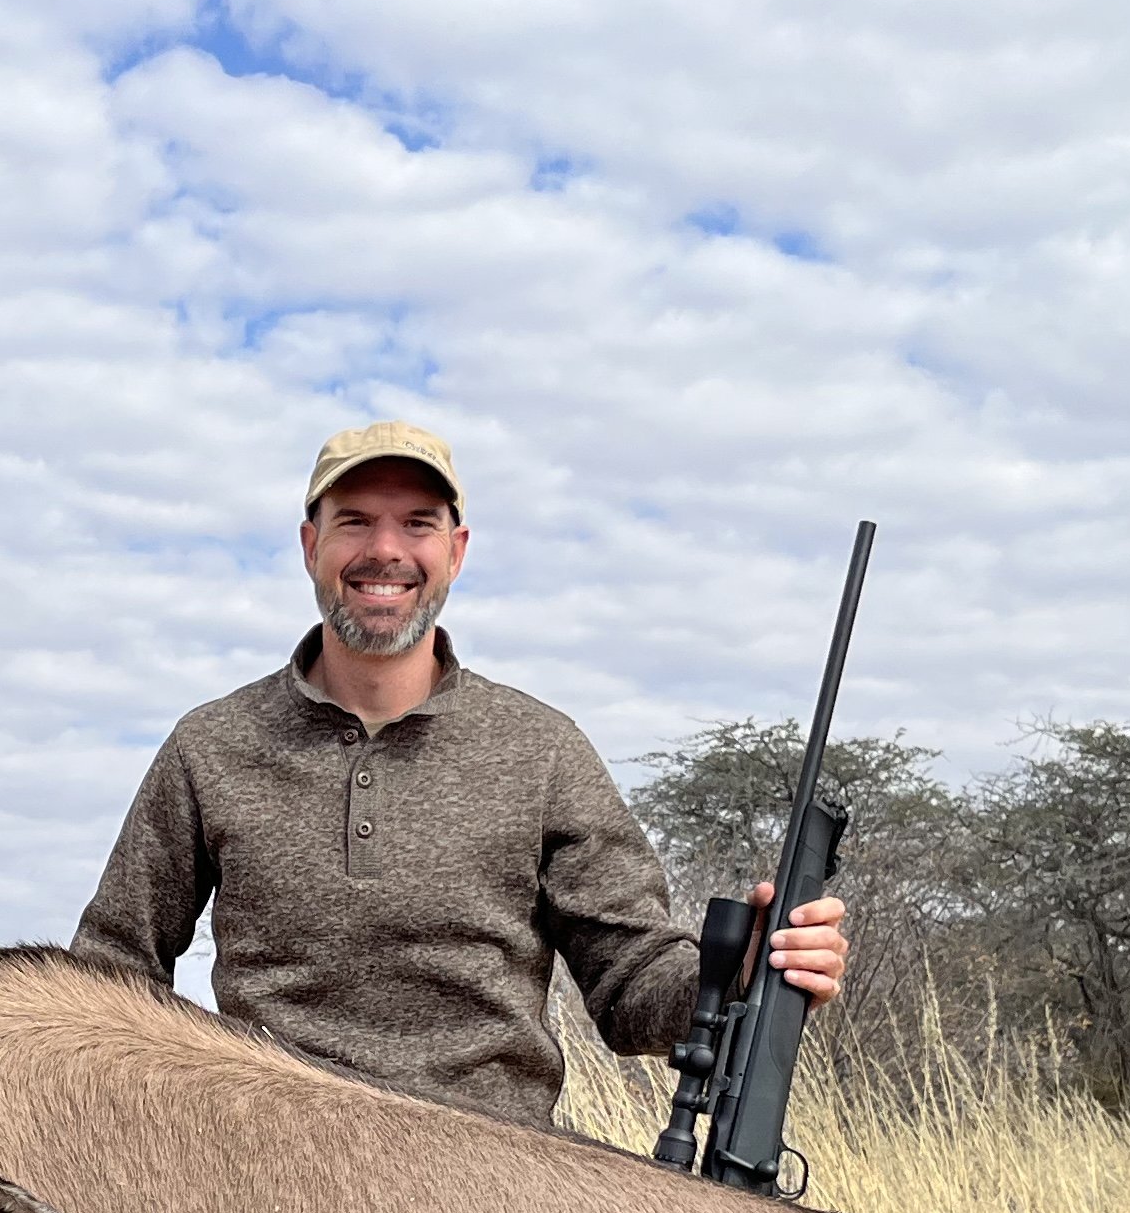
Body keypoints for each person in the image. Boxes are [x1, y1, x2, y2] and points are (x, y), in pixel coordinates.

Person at [76, 420, 846, 1129]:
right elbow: (107, 974)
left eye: (418, 524)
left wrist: (742, 970)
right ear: (311, 545)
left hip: (493, 1186)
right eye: (355, 521)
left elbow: (632, 983)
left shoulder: (542, 749)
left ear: (457, 550)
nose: (386, 551)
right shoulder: (209, 746)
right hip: (264, 1170)